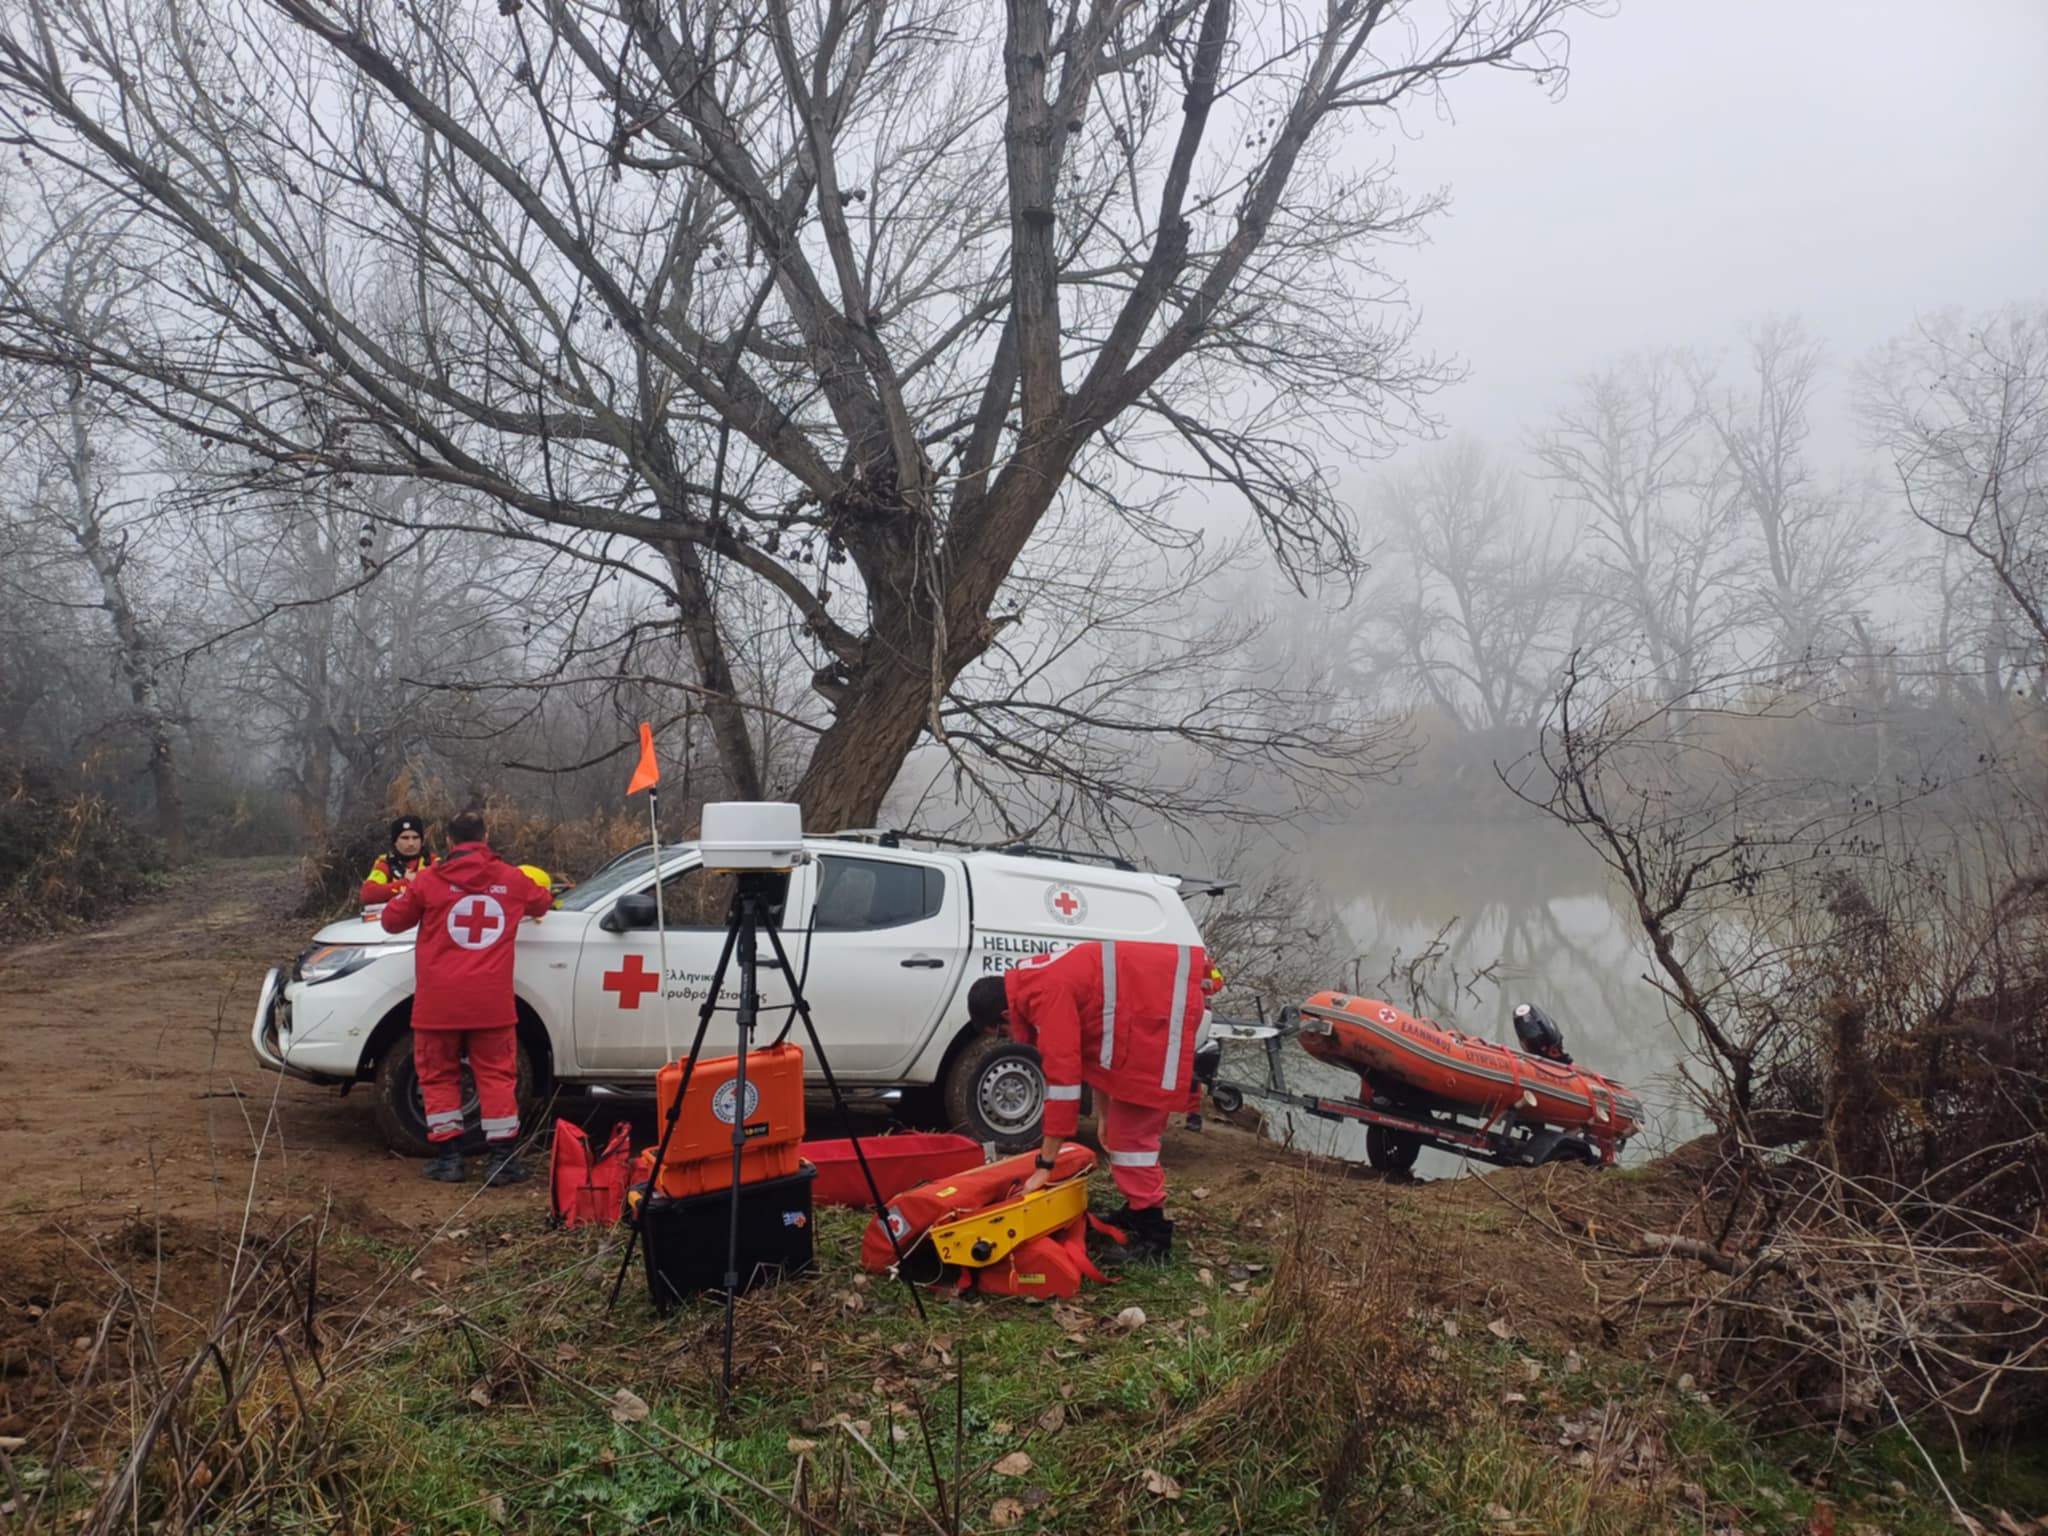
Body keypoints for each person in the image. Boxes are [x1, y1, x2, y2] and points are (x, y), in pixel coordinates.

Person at [966, 939, 1211, 1261]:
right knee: (1123, 1134)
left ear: (1005, 1013)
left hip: (1156, 1026)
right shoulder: (1031, 980)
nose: (1008, 1038)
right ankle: (1139, 1211)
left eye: (1001, 1032)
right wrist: (1104, 1115)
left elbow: (1064, 1084)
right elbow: (1095, 1051)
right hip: (1144, 1021)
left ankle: (1154, 1238)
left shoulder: (1045, 997)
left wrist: (1045, 1165)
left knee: (1132, 1143)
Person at [379, 809, 553, 1185]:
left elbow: (391, 921)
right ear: (486, 837)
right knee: (496, 1077)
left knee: (438, 1076)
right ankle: (502, 1161)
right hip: (491, 1003)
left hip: (438, 1004)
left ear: (449, 842)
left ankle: (450, 1159)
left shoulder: (429, 880)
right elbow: (542, 903)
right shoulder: (512, 879)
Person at [360, 815, 436, 908]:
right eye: (405, 838)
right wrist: (406, 883)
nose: (411, 843)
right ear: (395, 842)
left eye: (415, 838)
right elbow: (368, 893)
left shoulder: (433, 861)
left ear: (421, 840)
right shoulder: (386, 864)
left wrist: (417, 881)